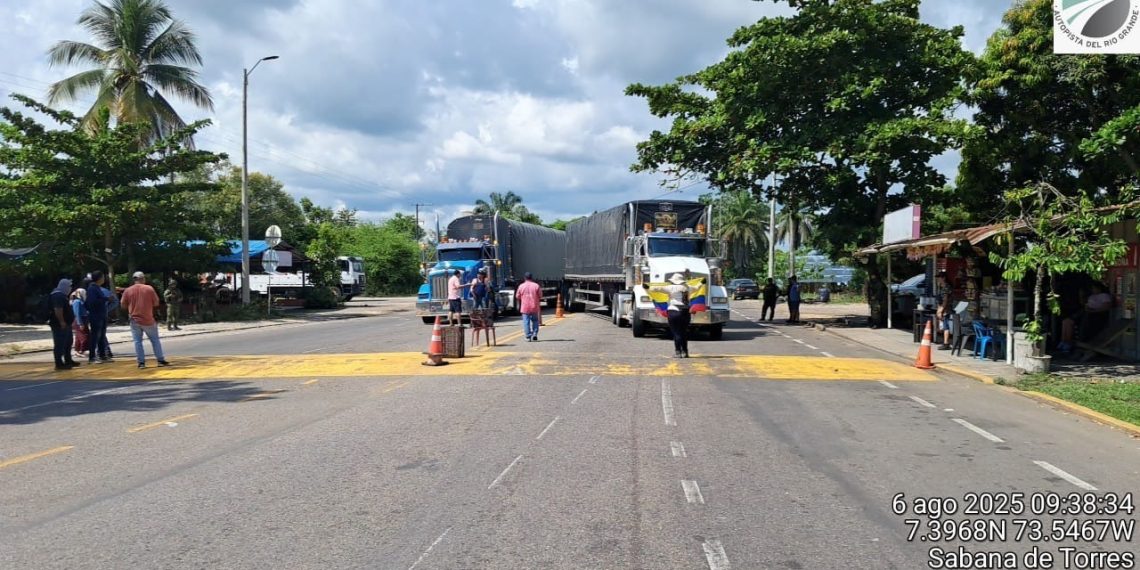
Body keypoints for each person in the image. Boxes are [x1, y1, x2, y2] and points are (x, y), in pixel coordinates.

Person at [121, 271, 170, 369]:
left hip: (134, 319)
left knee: (137, 342)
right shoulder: (149, 289)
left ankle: (141, 363)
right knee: (155, 340)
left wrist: (131, 308)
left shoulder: (128, 290)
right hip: (148, 319)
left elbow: (122, 304)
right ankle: (160, 360)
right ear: (143, 278)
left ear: (134, 279)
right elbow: (156, 303)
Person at [650, 273, 693, 358]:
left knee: (676, 333)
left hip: (673, 311)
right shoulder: (688, 287)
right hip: (685, 311)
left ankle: (678, 352)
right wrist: (702, 283)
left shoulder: (670, 288)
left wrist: (648, 287)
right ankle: (685, 352)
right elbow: (698, 287)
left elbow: (657, 288)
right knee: (684, 332)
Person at [48, 279, 79, 370]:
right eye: (69, 286)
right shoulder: (57, 295)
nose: (70, 288)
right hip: (59, 324)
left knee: (68, 342)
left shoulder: (62, 295)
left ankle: (68, 360)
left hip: (66, 323)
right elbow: (58, 309)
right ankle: (59, 363)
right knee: (60, 343)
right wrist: (62, 321)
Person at [84, 271, 111, 364]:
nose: (104, 279)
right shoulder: (92, 289)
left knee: (101, 336)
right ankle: (92, 357)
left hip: (101, 315)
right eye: (103, 277)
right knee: (95, 336)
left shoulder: (97, 288)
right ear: (99, 278)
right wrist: (106, 299)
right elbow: (92, 303)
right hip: (96, 316)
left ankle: (102, 355)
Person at [516, 272, 543, 342]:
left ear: (524, 278)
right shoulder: (536, 286)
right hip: (534, 306)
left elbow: (517, 296)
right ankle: (534, 334)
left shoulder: (521, 286)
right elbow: (540, 295)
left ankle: (528, 336)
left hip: (525, 307)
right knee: (535, 321)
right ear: (531, 278)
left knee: (526, 322)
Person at [935, 272, 955, 350]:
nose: (938, 279)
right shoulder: (940, 287)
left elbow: (945, 300)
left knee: (946, 325)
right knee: (942, 326)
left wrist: (940, 310)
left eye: (939, 277)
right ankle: (944, 341)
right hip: (942, 308)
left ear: (943, 278)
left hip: (946, 309)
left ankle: (946, 343)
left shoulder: (946, 287)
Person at [71, 288, 89, 359]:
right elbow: (77, 313)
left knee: (78, 337)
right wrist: (80, 323)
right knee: (84, 337)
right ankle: (81, 350)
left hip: (83, 320)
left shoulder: (81, 301)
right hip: (79, 321)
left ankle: (78, 351)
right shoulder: (77, 302)